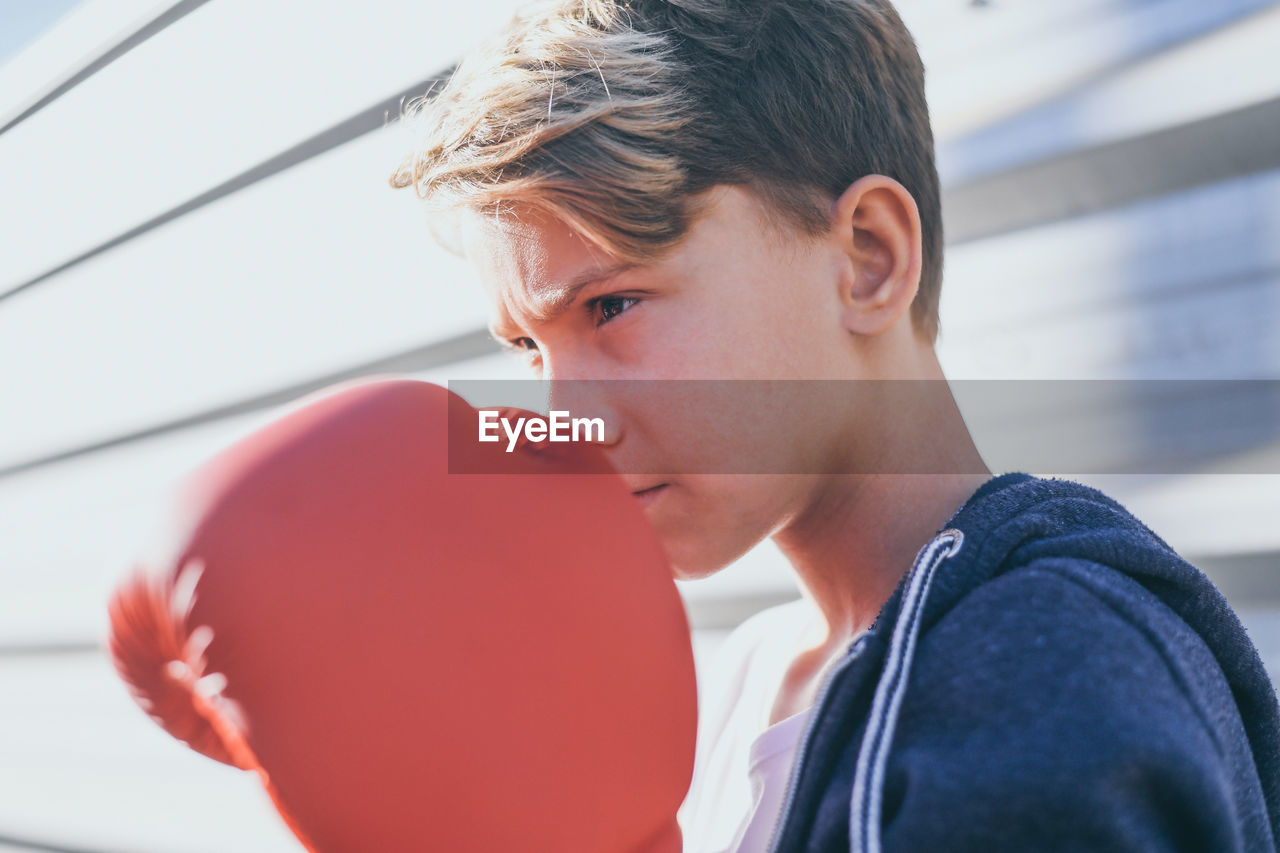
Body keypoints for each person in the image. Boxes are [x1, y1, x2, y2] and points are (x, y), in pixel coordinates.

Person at [388, 0, 1280, 850]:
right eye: (528, 348)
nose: (566, 421)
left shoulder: (1042, 681)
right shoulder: (759, 668)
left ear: (867, 259)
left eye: (613, 304)